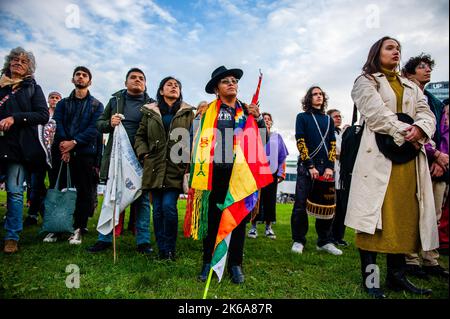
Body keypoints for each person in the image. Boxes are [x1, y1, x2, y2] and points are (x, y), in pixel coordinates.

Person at [345, 36, 438, 298]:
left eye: (398, 48)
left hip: (408, 161)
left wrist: (421, 129)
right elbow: (375, 114)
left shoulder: (410, 84)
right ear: (377, 52)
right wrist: (407, 131)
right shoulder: (366, 81)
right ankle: (372, 280)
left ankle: (397, 278)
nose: (396, 52)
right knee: (373, 219)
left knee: (404, 216)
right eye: (390, 48)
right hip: (378, 158)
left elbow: (427, 113)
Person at [196, 66, 266, 284]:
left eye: (234, 80)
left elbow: (261, 140)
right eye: (225, 81)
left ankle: (235, 264)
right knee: (212, 219)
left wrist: (260, 119)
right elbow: (195, 139)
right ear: (217, 88)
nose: (231, 83)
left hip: (240, 174)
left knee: (239, 219)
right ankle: (208, 261)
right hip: (214, 172)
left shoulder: (247, 110)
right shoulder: (208, 111)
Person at [87, 68, 155, 254]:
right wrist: (110, 122)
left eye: (141, 78)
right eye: (133, 78)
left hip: (141, 158)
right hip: (117, 158)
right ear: (126, 83)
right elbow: (99, 124)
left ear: (145, 84)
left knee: (140, 200)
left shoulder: (152, 105)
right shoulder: (115, 101)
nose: (137, 80)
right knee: (112, 197)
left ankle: (143, 241)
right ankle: (104, 239)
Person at [134, 76, 194, 260]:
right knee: (158, 209)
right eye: (169, 85)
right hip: (154, 166)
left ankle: (170, 248)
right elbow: (140, 136)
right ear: (161, 91)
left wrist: (188, 163)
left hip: (176, 167)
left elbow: (194, 137)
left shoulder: (187, 113)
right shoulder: (150, 112)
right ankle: (162, 250)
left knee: (169, 207)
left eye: (177, 85)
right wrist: (144, 154)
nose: (173, 87)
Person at [402, 54, 449, 279]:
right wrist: (435, 154)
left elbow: (440, 133)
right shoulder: (404, 95)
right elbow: (408, 128)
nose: (427, 70)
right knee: (412, 210)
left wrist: (440, 160)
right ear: (409, 73)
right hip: (412, 158)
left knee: (435, 213)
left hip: (436, 164)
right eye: (422, 67)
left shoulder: (437, 102)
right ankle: (410, 259)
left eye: (429, 67)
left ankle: (430, 259)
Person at [45, 66, 104, 245]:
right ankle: (56, 227)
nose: (80, 77)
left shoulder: (96, 105)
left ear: (90, 81)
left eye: (84, 75)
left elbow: (94, 129)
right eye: (77, 75)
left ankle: (78, 228)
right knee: (60, 189)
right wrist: (65, 146)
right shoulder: (63, 103)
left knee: (84, 192)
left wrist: (75, 143)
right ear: (73, 80)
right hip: (62, 151)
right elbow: (59, 122)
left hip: (85, 153)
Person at [0, 47, 49, 253]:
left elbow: (42, 115)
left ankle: (12, 237)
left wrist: (15, 118)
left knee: (15, 192)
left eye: (23, 61)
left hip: (17, 148)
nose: (18, 63)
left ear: (29, 67)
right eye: (15, 59)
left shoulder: (32, 88)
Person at [291, 86, 342, 256]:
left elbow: (332, 144)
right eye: (315, 94)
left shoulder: (328, 119)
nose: (318, 96)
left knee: (326, 206)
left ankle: (324, 241)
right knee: (300, 205)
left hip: (325, 167)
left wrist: (329, 166)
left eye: (320, 94)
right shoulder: (302, 117)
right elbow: (300, 140)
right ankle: (299, 240)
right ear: (309, 98)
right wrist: (310, 165)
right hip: (307, 166)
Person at [248, 112, 288, 240]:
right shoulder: (255, 136)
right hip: (256, 172)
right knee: (255, 199)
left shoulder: (277, 137)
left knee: (270, 200)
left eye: (268, 119)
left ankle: (268, 228)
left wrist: (281, 173)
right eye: (264, 119)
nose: (266, 121)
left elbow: (282, 157)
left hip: (272, 173)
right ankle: (253, 227)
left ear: (271, 122)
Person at [24, 91, 61, 226]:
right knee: (35, 186)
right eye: (52, 97)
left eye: (57, 98)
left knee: (53, 186)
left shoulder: (61, 116)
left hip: (55, 156)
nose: (55, 100)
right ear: (48, 100)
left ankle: (50, 214)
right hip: (40, 155)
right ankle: (33, 214)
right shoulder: (42, 114)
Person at [327, 108, 348, 247]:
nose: (338, 118)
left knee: (342, 208)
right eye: (335, 116)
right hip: (331, 172)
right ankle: (329, 236)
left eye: (340, 116)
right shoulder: (327, 133)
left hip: (343, 174)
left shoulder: (342, 133)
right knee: (331, 208)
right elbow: (334, 152)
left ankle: (339, 236)